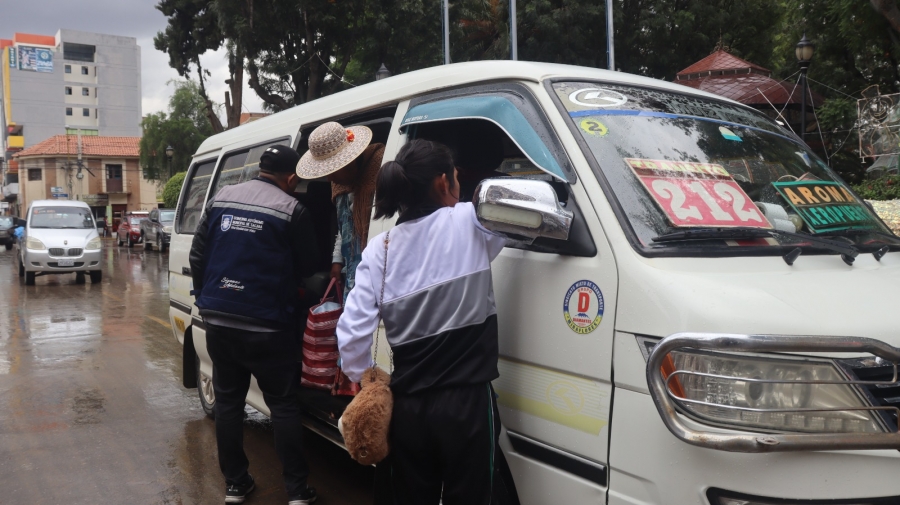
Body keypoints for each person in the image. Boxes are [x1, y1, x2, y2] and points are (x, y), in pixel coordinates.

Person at [336, 139, 516, 505]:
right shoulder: (471, 220)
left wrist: (364, 373)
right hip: (467, 403)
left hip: (408, 406)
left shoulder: (380, 249)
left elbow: (352, 334)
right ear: (442, 182)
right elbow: (525, 223)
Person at [189, 145, 320, 505]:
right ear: (291, 178)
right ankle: (296, 491)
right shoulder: (294, 209)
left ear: (260, 169)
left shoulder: (221, 197)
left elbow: (197, 255)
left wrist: (207, 298)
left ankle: (235, 484)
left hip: (219, 320)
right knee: (283, 404)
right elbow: (309, 267)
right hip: (268, 327)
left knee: (229, 402)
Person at [296, 121, 385, 301]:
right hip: (351, 268)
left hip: (375, 268)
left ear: (350, 164)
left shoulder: (381, 176)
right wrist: (337, 260)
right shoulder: (339, 184)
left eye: (333, 171)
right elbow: (343, 226)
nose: (329, 178)